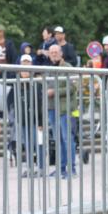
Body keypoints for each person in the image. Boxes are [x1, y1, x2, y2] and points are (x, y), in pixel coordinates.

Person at [44, 43, 78, 178]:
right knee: (57, 139)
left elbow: (73, 87)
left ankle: (72, 169)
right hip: (52, 108)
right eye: (51, 52)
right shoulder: (48, 69)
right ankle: (61, 168)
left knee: (67, 138)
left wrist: (54, 92)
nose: (54, 54)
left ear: (61, 53)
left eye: (56, 52)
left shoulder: (68, 68)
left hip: (66, 109)